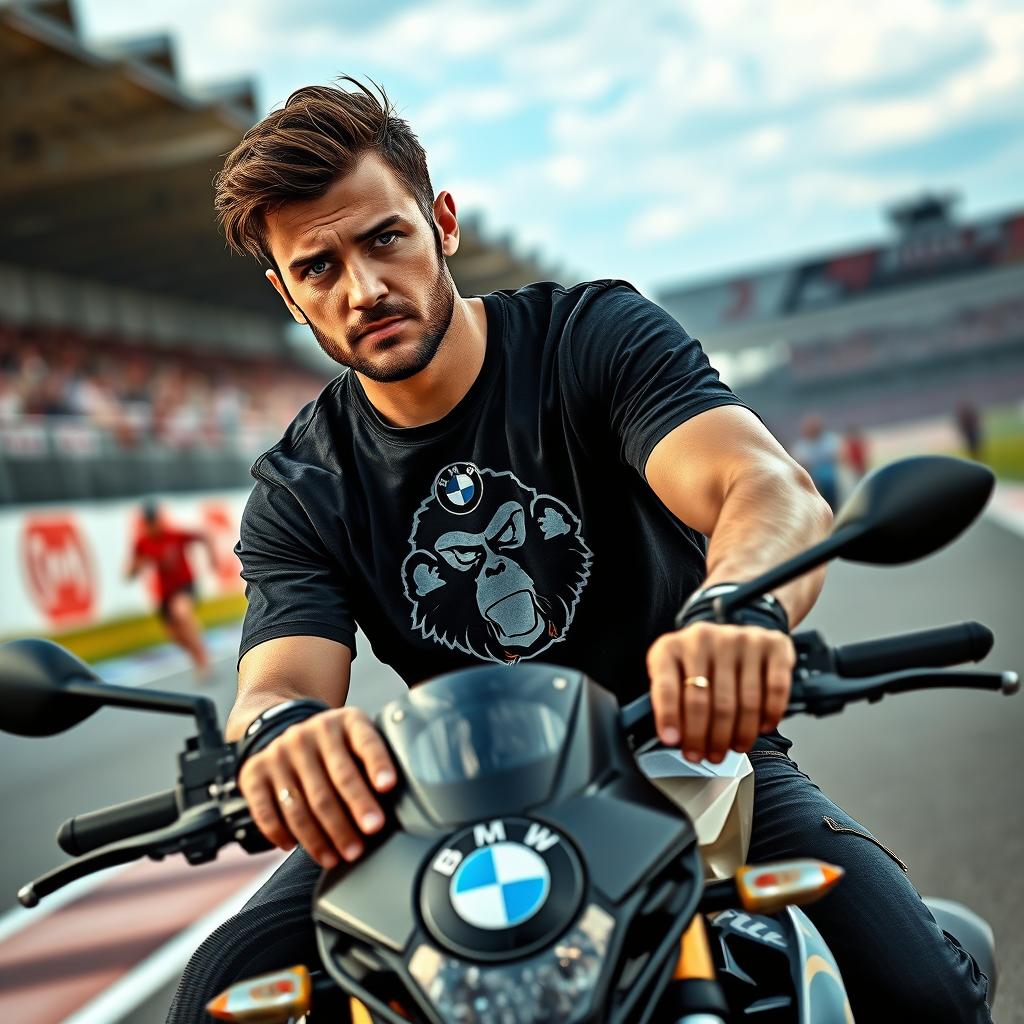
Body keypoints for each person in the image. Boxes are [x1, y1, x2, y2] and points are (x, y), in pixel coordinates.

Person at [176, 80, 990, 1022]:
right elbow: (278, 684)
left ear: (440, 222)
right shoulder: (299, 485)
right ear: (286, 293)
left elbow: (760, 486)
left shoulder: (589, 336)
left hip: (687, 755)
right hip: (444, 807)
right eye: (318, 268)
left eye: (383, 239)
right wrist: (282, 740)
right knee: (215, 996)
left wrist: (738, 609)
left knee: (921, 993)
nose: (362, 289)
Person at [127, 500, 215, 678]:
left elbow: (205, 536)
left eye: (155, 521)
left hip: (184, 584)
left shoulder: (174, 534)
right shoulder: (142, 542)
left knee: (181, 612)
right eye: (149, 523)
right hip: (164, 592)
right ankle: (196, 653)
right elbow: (129, 572)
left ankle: (202, 659)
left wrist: (213, 559)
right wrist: (139, 565)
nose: (153, 526)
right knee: (175, 636)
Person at [791, 413, 842, 509]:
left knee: (833, 502)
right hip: (814, 481)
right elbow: (802, 464)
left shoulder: (829, 440)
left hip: (831, 480)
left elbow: (837, 457)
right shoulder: (801, 446)